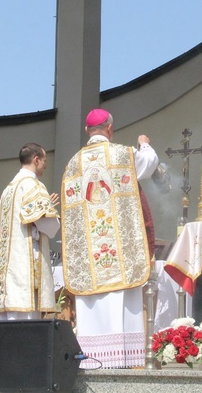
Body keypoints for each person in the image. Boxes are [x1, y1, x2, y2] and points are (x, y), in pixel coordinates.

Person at [61, 108, 158, 368]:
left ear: (86, 131)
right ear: (110, 129)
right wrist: (145, 144)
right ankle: (124, 365)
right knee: (123, 307)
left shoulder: (73, 164)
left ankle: (92, 363)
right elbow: (149, 164)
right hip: (121, 254)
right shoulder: (123, 154)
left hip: (91, 260)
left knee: (93, 309)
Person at [0, 143, 61, 327]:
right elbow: (50, 227)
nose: (45, 165)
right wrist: (50, 210)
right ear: (36, 160)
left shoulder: (8, 190)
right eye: (44, 161)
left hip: (7, 273)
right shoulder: (32, 185)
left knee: (5, 327)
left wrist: (45, 207)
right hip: (26, 271)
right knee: (25, 326)